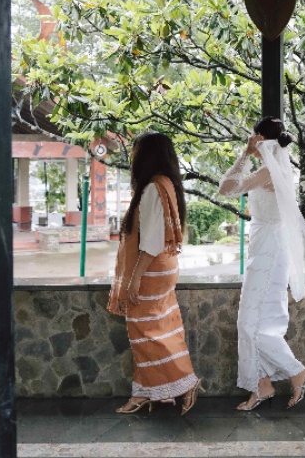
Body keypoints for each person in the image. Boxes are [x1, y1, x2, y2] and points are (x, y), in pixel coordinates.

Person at [219, 117, 305, 411]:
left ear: (260, 138)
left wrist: (243, 155)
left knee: (251, 323)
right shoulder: (273, 168)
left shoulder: (267, 172)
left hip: (270, 250)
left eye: (254, 137)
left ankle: (296, 372)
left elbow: (226, 189)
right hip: (265, 246)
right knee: (256, 322)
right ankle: (263, 385)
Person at [107, 132, 202, 415]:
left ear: (146, 156)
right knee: (161, 329)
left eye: (136, 152)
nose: (133, 158)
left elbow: (150, 241)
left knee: (145, 333)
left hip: (150, 269)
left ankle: (183, 383)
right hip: (165, 267)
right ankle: (155, 393)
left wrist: (134, 279)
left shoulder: (151, 189)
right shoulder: (168, 185)